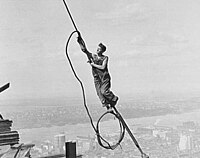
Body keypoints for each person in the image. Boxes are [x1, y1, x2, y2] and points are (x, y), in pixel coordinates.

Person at [77, 34, 118, 110]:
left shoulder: (105, 58)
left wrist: (93, 64)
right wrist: (80, 41)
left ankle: (114, 98)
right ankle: (107, 106)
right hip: (96, 77)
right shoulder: (93, 56)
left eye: (99, 49)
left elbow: (103, 67)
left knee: (104, 92)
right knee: (99, 93)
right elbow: (85, 50)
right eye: (97, 48)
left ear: (102, 51)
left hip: (104, 77)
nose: (97, 50)